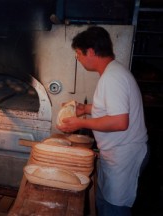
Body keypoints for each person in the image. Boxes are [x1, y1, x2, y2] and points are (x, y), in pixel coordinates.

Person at [57, 26, 149, 216]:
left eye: (78, 54)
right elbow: (111, 109)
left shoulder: (112, 77)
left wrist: (80, 123)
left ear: (90, 52)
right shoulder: (112, 73)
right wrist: (85, 109)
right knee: (105, 203)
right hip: (115, 153)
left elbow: (119, 122)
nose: (78, 58)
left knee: (115, 208)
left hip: (125, 155)